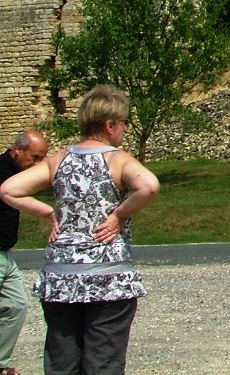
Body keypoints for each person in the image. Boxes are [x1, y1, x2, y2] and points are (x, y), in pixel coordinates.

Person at [0, 85, 160, 375]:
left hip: (62, 278)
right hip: (108, 278)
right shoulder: (118, 159)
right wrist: (119, 214)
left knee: (62, 363)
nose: (125, 128)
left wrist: (51, 212)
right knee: (103, 363)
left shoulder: (59, 159)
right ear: (110, 125)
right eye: (124, 122)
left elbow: (10, 189)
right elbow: (148, 186)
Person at [0, 130, 49, 375]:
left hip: (6, 253)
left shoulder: (19, 175)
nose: (38, 164)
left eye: (43, 158)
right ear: (17, 151)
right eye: (35, 157)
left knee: (17, 305)